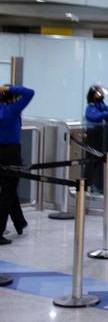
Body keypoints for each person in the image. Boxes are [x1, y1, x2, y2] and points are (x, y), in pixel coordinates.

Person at [0, 85, 34, 245]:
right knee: (7, 193)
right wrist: (9, 87)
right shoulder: (11, 111)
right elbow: (29, 93)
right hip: (10, 154)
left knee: (9, 189)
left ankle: (19, 222)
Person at [84, 83, 108, 193]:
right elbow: (95, 116)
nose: (101, 95)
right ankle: (88, 183)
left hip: (101, 135)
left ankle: (97, 184)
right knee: (91, 160)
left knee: (99, 161)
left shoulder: (101, 105)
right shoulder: (90, 107)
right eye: (98, 92)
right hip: (92, 135)